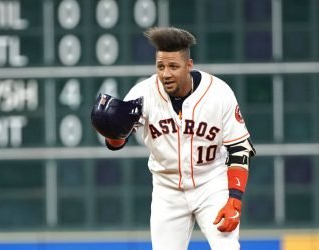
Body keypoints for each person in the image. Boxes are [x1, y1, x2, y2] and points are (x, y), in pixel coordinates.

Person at [92, 27, 256, 250]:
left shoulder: (219, 93)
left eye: (173, 66)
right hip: (167, 190)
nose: (165, 73)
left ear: (189, 66)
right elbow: (118, 142)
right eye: (160, 66)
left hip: (211, 183)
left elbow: (239, 148)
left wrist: (234, 199)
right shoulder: (143, 94)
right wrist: (113, 135)